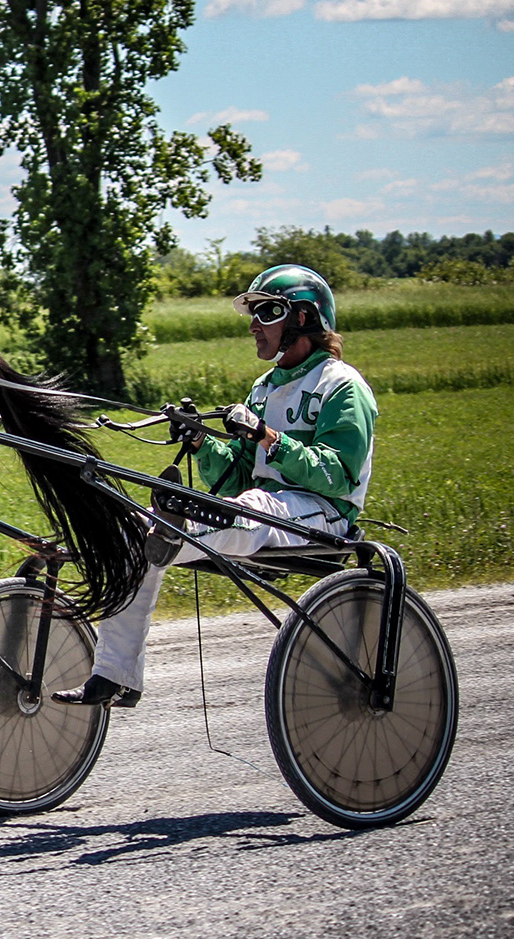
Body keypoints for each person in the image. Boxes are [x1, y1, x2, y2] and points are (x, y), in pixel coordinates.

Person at [53, 264, 378, 709]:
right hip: (263, 511)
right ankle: (115, 675)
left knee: (248, 509)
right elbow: (240, 474)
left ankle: (174, 528)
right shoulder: (263, 388)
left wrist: (268, 438)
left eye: (265, 313)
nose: (252, 327)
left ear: (301, 318)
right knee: (135, 533)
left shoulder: (342, 386)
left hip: (323, 515)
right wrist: (202, 442)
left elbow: (339, 475)